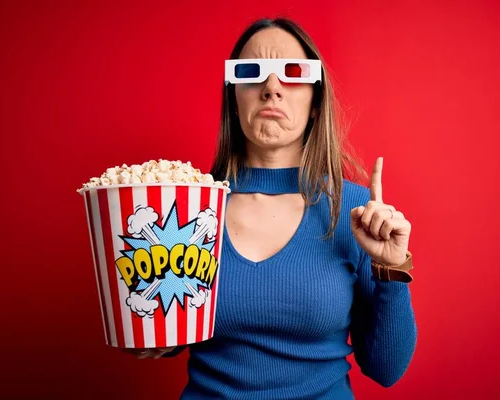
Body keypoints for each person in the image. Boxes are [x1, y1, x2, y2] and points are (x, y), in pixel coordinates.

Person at [124, 17, 417, 399]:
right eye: (252, 73)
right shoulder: (188, 206)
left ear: (315, 101)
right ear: (234, 97)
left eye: (293, 73)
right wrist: (153, 334)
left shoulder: (357, 212)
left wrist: (392, 269)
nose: (272, 88)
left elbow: (386, 370)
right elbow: (168, 326)